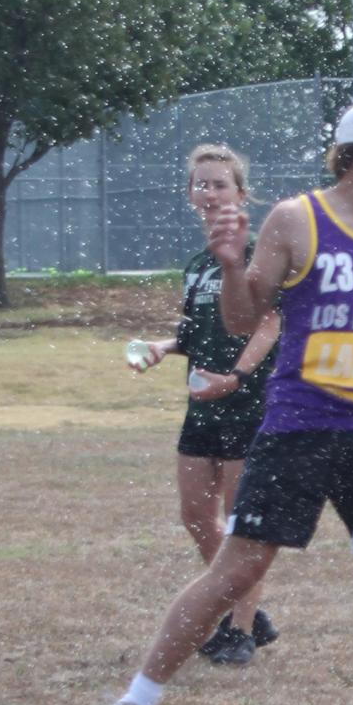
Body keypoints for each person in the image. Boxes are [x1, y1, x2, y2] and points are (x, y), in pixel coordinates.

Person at [79, 98, 353, 705]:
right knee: (236, 571)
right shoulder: (296, 219)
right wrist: (232, 265)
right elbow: (240, 319)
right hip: (298, 428)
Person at [128, 144, 282, 665]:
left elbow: (270, 321)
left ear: (241, 193)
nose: (210, 192)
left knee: (242, 524)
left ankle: (238, 632)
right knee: (196, 514)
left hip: (250, 404)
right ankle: (245, 604)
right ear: (190, 194)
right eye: (202, 184)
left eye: (221, 184)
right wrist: (162, 348)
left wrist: (236, 378)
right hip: (202, 406)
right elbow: (193, 334)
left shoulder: (261, 250)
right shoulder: (196, 265)